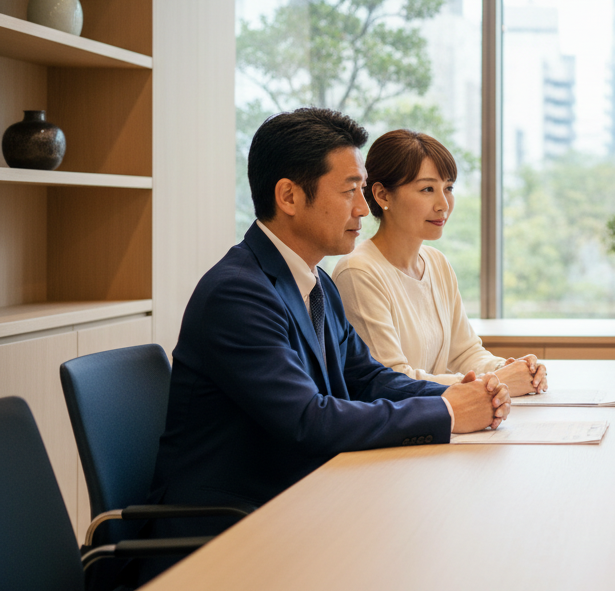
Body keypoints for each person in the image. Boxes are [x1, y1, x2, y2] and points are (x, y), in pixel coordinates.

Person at [146, 109, 510, 573]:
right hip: (226, 536)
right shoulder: (238, 292)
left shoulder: (315, 281)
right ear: (289, 196)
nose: (362, 207)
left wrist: (459, 394)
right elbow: (308, 419)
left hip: (298, 505)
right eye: (350, 190)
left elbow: (366, 378)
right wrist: (449, 412)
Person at [333, 129, 547, 396]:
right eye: (427, 189)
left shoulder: (437, 263)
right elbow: (392, 381)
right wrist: (495, 381)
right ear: (382, 195)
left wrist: (511, 368)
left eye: (448, 188)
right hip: (404, 428)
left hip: (444, 419)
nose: (443, 204)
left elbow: (465, 352)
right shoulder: (358, 272)